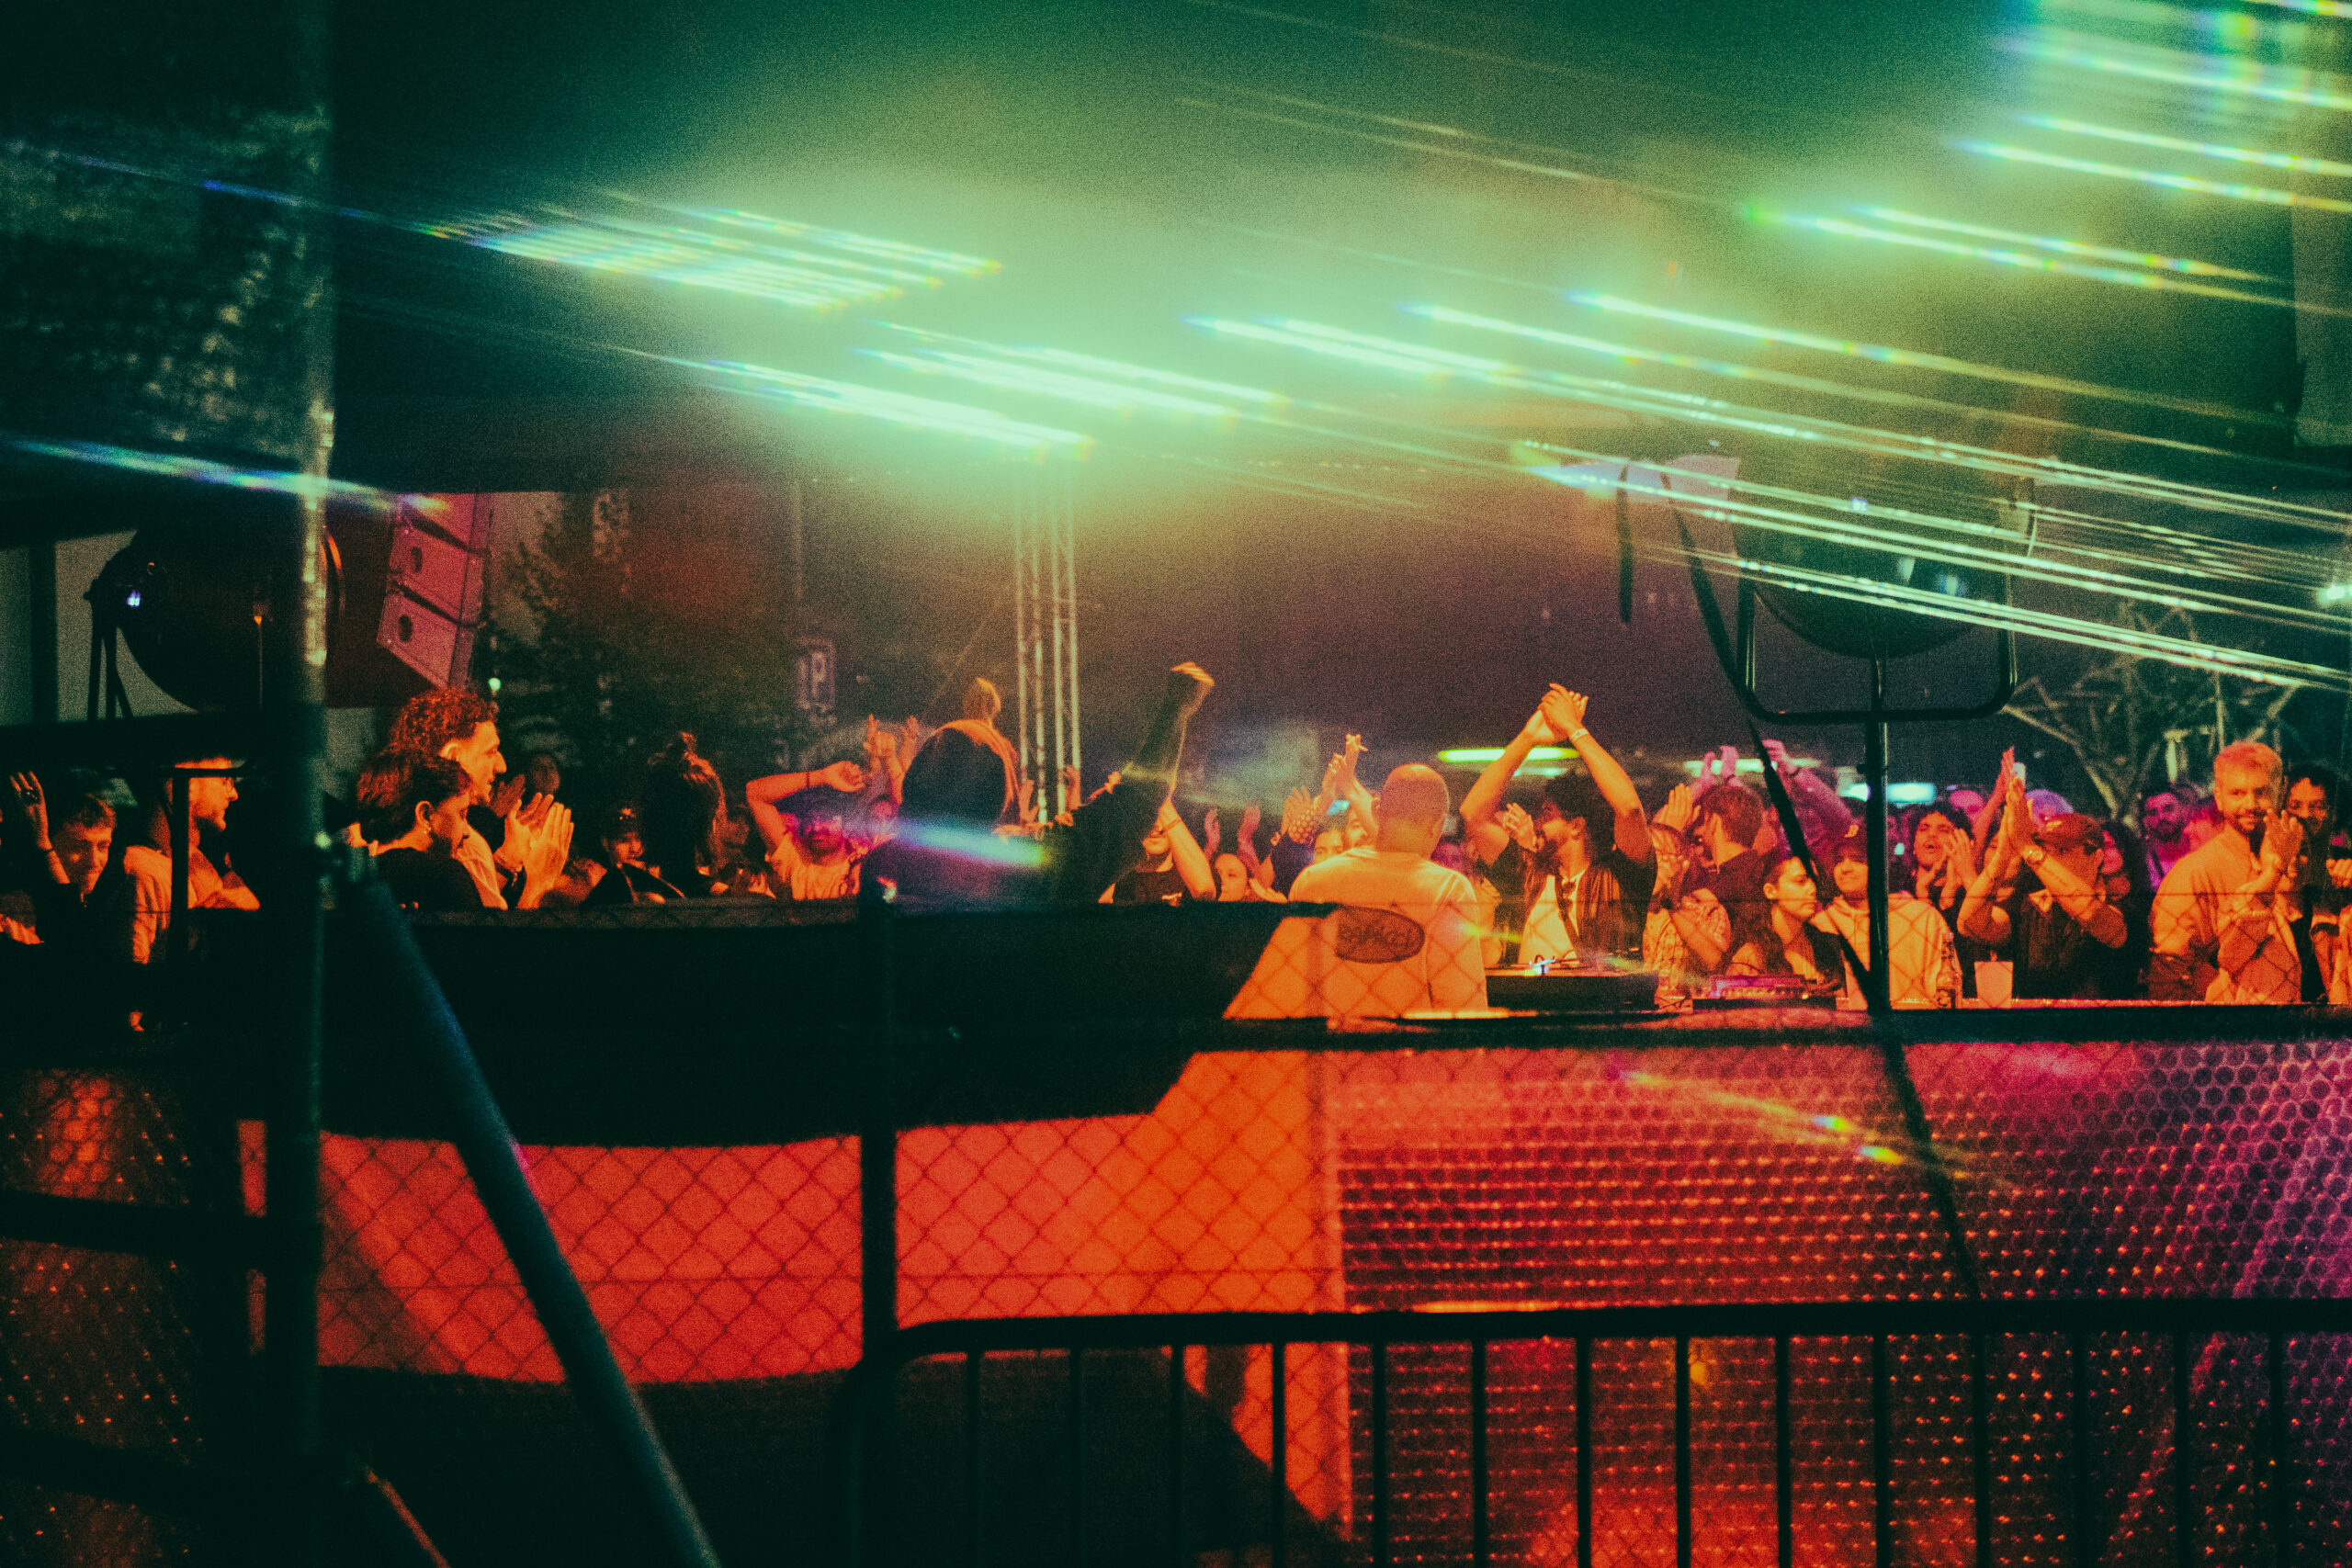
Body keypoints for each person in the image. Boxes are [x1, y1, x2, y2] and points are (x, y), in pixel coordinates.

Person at [865, 662, 1215, 905]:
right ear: (999, 793)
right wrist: (1176, 710)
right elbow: (1136, 803)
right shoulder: (1027, 862)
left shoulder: (883, 864)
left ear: (917, 782)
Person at [1232, 763, 1487, 1018]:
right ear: (1437, 825)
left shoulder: (1312, 881)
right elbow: (1463, 1009)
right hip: (1407, 1043)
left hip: (1324, 1041)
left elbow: (1287, 992)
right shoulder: (1447, 890)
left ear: (1376, 811)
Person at [1459, 685, 1654, 970]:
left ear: (1576, 826)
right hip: (1530, 1000)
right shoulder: (1528, 875)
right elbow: (1473, 813)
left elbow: (1629, 808)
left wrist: (1575, 729)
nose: (1536, 823)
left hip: (1601, 1000)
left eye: (1547, 813)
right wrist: (1527, 738)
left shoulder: (1621, 877)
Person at [2150, 741, 2307, 1003]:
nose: (2250, 804)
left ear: (2280, 792)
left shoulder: (2298, 858)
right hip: (2230, 1022)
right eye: (2237, 793)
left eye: (2261, 792)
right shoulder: (2194, 871)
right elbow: (2169, 971)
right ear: (2219, 798)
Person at [1958, 774, 2136, 999]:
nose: (2051, 860)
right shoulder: (2030, 904)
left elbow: (2102, 923)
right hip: (2034, 1019)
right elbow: (1971, 925)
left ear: (2096, 857)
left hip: (2102, 1020)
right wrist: (2002, 856)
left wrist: (2030, 849)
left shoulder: (2121, 903)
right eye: (2047, 851)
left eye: (2062, 851)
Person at [384, 688, 557, 909]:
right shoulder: (462, 845)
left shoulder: (365, 837)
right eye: (490, 752)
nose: (501, 766)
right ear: (453, 757)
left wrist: (507, 860)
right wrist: (539, 883)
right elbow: (482, 930)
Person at [367, 753, 575, 911]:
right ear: (426, 815)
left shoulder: (364, 874)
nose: (467, 831)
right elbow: (487, 952)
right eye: (462, 814)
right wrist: (539, 883)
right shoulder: (444, 875)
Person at [120, 757, 260, 964]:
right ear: (189, 781)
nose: (233, 794)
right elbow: (128, 977)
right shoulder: (142, 872)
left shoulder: (196, 862)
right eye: (225, 780)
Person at [1811, 828, 1959, 1008]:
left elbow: (1946, 992)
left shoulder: (1922, 917)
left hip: (1911, 1023)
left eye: (1858, 860)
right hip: (1845, 1024)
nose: (1845, 868)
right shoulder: (1822, 924)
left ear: (1882, 865)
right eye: (1839, 860)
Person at [587, 734, 739, 903]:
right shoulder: (733, 903)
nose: (633, 847)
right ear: (710, 821)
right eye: (623, 839)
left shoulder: (611, 893)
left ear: (647, 820)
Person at [3, 773, 135, 960]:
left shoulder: (106, 907)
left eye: (102, 846)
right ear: (48, 842)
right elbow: (76, 959)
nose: (93, 861)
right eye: (78, 847)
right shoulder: (16, 915)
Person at [745, 759, 870, 899]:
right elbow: (753, 793)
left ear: (845, 823)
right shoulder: (794, 857)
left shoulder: (864, 865)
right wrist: (821, 776)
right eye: (808, 818)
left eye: (826, 817)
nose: (816, 826)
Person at [1723, 856, 1841, 985]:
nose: (1813, 890)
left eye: (1815, 881)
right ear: (1770, 891)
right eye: (1801, 881)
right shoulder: (1751, 957)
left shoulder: (1826, 946)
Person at [1108, 799, 1217, 904]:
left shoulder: (1193, 875)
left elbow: (1204, 891)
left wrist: (1164, 799)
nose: (1156, 826)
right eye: (1148, 817)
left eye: (1161, 816)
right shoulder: (1119, 879)